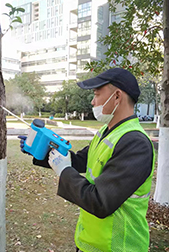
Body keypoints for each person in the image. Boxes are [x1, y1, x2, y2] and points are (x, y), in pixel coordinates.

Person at [18, 68, 155, 252]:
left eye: (97, 94)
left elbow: (100, 202)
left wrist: (64, 171)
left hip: (118, 247)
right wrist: (40, 150)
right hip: (89, 243)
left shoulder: (136, 144)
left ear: (117, 96)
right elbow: (78, 161)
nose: (93, 101)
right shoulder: (105, 133)